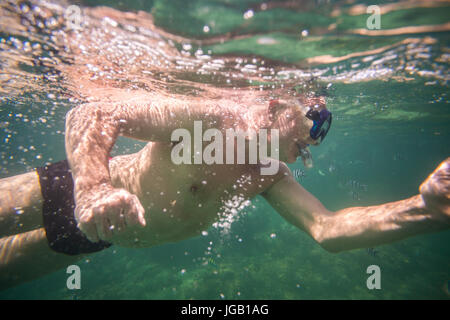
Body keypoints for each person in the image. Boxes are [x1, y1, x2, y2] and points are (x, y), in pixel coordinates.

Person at [0, 91, 448, 290]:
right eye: (309, 128)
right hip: (70, 189)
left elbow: (327, 228)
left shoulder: (267, 172)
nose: (306, 149)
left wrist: (422, 210)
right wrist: (93, 189)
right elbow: (93, 115)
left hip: (97, 232)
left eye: (313, 143)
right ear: (275, 108)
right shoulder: (213, 119)